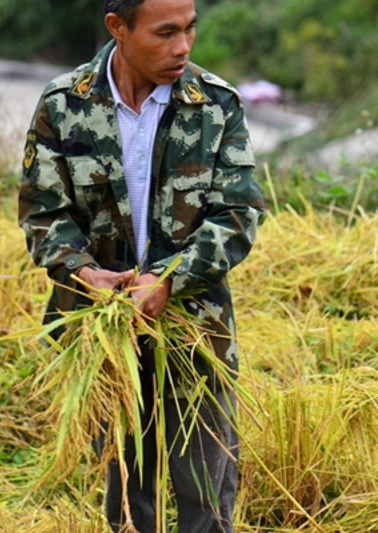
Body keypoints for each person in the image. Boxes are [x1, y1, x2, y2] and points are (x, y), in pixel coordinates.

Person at [18, 0, 266, 530]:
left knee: (206, 495)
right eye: (166, 33)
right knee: (128, 495)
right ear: (118, 28)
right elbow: (43, 213)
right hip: (108, 337)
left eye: (190, 29)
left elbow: (237, 215)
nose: (183, 47)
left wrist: (170, 281)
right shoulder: (65, 104)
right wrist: (84, 273)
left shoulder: (215, 105)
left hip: (195, 334)